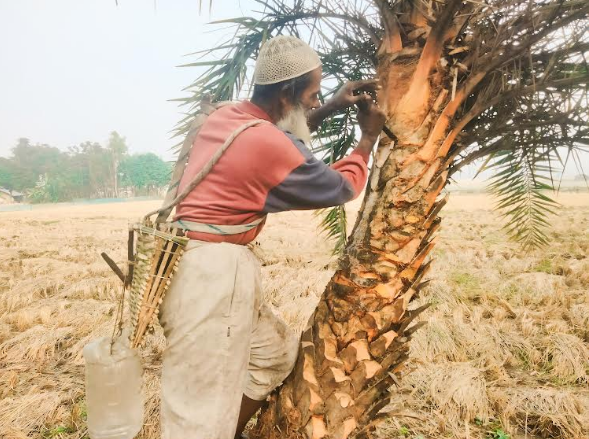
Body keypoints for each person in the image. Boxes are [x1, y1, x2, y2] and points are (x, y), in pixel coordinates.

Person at [158, 35, 386, 439]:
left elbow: (276, 139)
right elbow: (338, 188)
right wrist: (367, 139)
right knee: (197, 414)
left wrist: (333, 105)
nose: (316, 103)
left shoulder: (229, 117)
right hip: (215, 277)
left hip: (196, 264)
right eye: (313, 94)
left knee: (274, 358)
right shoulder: (265, 142)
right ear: (287, 93)